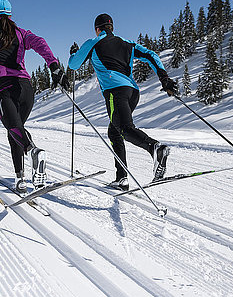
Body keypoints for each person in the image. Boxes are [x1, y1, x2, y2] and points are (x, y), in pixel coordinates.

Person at [53, 13, 177, 191]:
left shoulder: (93, 43)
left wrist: (73, 53)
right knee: (114, 131)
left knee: (125, 128)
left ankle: (155, 148)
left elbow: (73, 65)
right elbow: (151, 55)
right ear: (112, 27)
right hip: (132, 92)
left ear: (97, 29)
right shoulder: (128, 43)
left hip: (114, 92)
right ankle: (121, 178)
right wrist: (163, 77)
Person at [0, 0, 61, 192]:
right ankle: (20, 179)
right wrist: (53, 64)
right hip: (25, 88)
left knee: (14, 129)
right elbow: (40, 42)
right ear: (10, 13)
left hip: (4, 88)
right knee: (15, 130)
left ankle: (33, 151)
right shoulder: (22, 33)